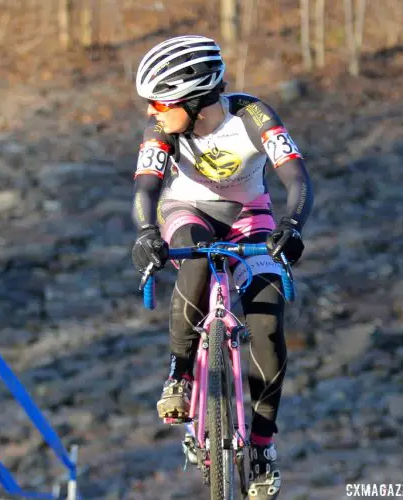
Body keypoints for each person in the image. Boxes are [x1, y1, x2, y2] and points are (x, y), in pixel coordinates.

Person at [130, 35, 314, 500]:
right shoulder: (162, 132)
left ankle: (262, 444)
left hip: (251, 218)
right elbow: (146, 190)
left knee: (268, 328)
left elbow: (296, 179)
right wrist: (146, 233)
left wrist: (291, 226)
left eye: (159, 102)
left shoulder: (252, 117)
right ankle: (180, 371)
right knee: (194, 260)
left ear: (194, 99)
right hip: (188, 210)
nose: (152, 112)